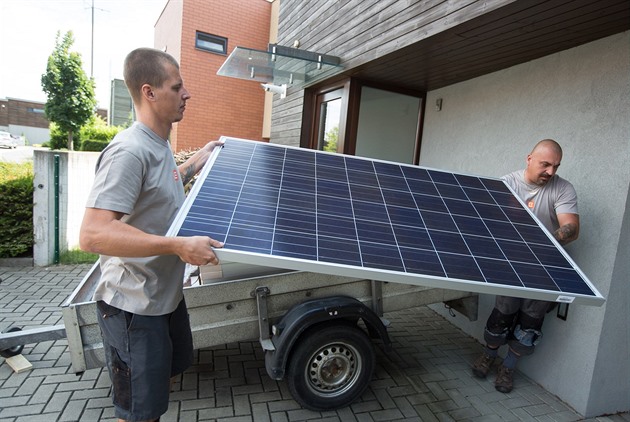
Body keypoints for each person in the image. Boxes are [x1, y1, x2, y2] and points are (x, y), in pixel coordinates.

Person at [79, 47, 224, 422]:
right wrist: (177, 246)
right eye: (177, 88)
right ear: (149, 92)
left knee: (160, 388)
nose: (187, 94)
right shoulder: (128, 152)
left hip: (164, 299)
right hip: (133, 307)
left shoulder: (158, 145)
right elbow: (93, 234)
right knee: (140, 412)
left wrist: (196, 162)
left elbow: (160, 188)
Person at [471, 139, 579, 394]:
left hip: (546, 267)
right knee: (503, 313)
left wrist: (545, 241)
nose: (551, 172)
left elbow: (572, 228)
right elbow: (488, 224)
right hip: (512, 263)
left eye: (556, 166)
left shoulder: (563, 189)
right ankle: (489, 355)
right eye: (545, 164)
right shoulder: (505, 184)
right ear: (529, 159)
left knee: (531, 320)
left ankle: (508, 367)